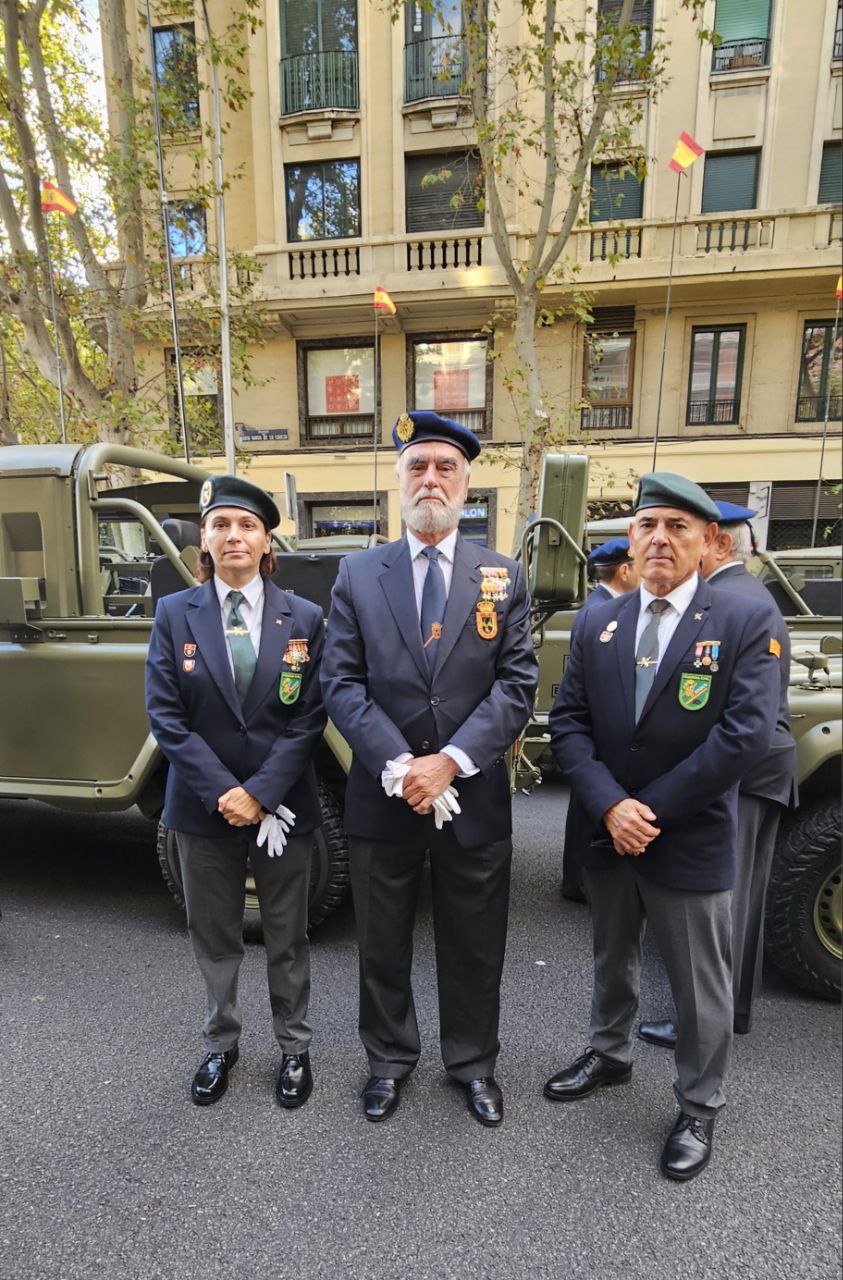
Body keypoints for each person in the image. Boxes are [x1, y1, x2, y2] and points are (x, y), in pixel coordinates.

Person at [545, 473, 780, 1182]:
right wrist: (609, 806)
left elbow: (743, 735)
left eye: (678, 527)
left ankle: (698, 1105)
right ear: (631, 538)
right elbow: (568, 723)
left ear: (708, 541)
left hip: (688, 831)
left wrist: (648, 812)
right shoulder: (600, 621)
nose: (659, 539)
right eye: (648, 524)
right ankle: (609, 1053)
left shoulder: (742, 618)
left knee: (698, 981)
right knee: (610, 955)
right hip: (610, 828)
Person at [321, 410, 538, 1127]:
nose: (431, 479)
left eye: (445, 467)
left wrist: (447, 762)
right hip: (385, 794)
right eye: (417, 466)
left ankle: (472, 1064)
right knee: (381, 940)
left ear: (465, 485)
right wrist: (401, 764)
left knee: (474, 942)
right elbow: (341, 683)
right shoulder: (358, 574)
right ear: (399, 482)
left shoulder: (501, 576)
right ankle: (387, 1059)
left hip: (471, 796)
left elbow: (516, 685)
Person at [145, 475, 326, 1109]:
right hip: (203, 809)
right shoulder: (174, 614)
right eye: (220, 525)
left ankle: (294, 1047)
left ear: (267, 540)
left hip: (283, 808)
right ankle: (221, 1043)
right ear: (205, 539)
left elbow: (309, 717)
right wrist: (227, 791)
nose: (234, 536)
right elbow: (167, 718)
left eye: (247, 525)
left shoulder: (304, 618)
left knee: (287, 936)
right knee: (214, 935)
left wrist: (261, 792)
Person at [638, 500, 797, 1048]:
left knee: (723, 905)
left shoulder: (733, 600)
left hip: (744, 771)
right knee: (742, 899)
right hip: (762, 768)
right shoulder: (749, 592)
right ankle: (728, 1013)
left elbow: (735, 718)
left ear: (719, 543)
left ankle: (702, 1023)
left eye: (692, 534)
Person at [561, 537, 638, 902]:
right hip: (596, 722)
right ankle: (579, 881)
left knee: (585, 803)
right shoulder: (604, 611)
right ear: (624, 571)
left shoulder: (597, 606)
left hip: (591, 721)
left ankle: (575, 879)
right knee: (589, 807)